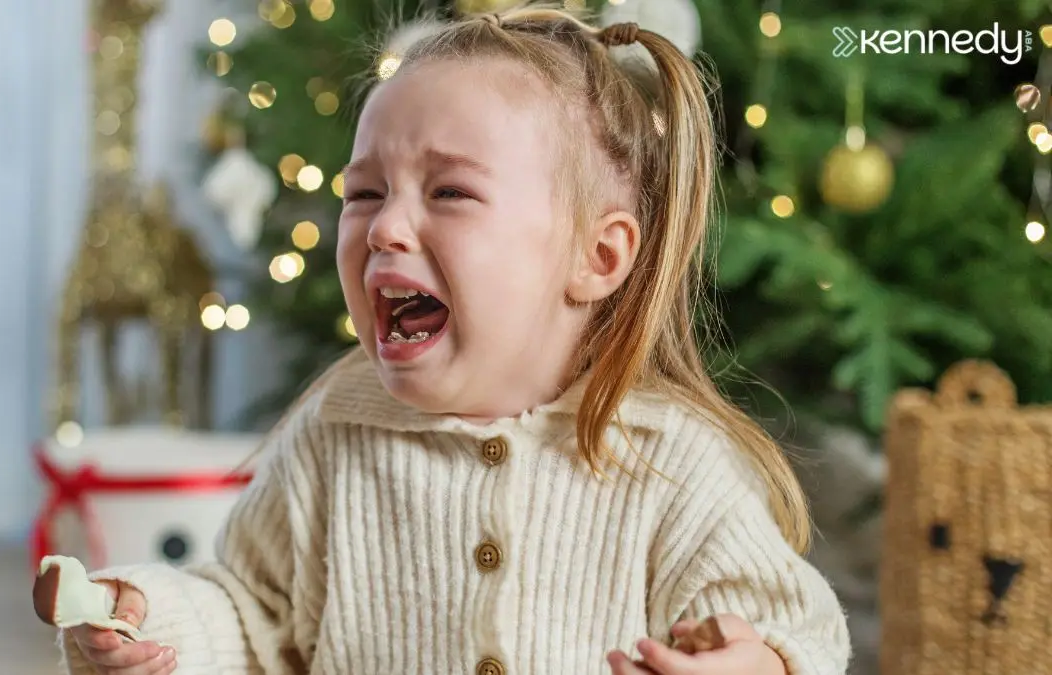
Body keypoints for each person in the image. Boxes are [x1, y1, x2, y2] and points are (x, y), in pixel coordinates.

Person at [55, 4, 851, 674]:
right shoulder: (338, 431)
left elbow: (799, 631)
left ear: (597, 257)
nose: (385, 227)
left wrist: (758, 660)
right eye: (363, 192)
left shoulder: (673, 462)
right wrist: (151, 618)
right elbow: (252, 610)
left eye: (450, 191)